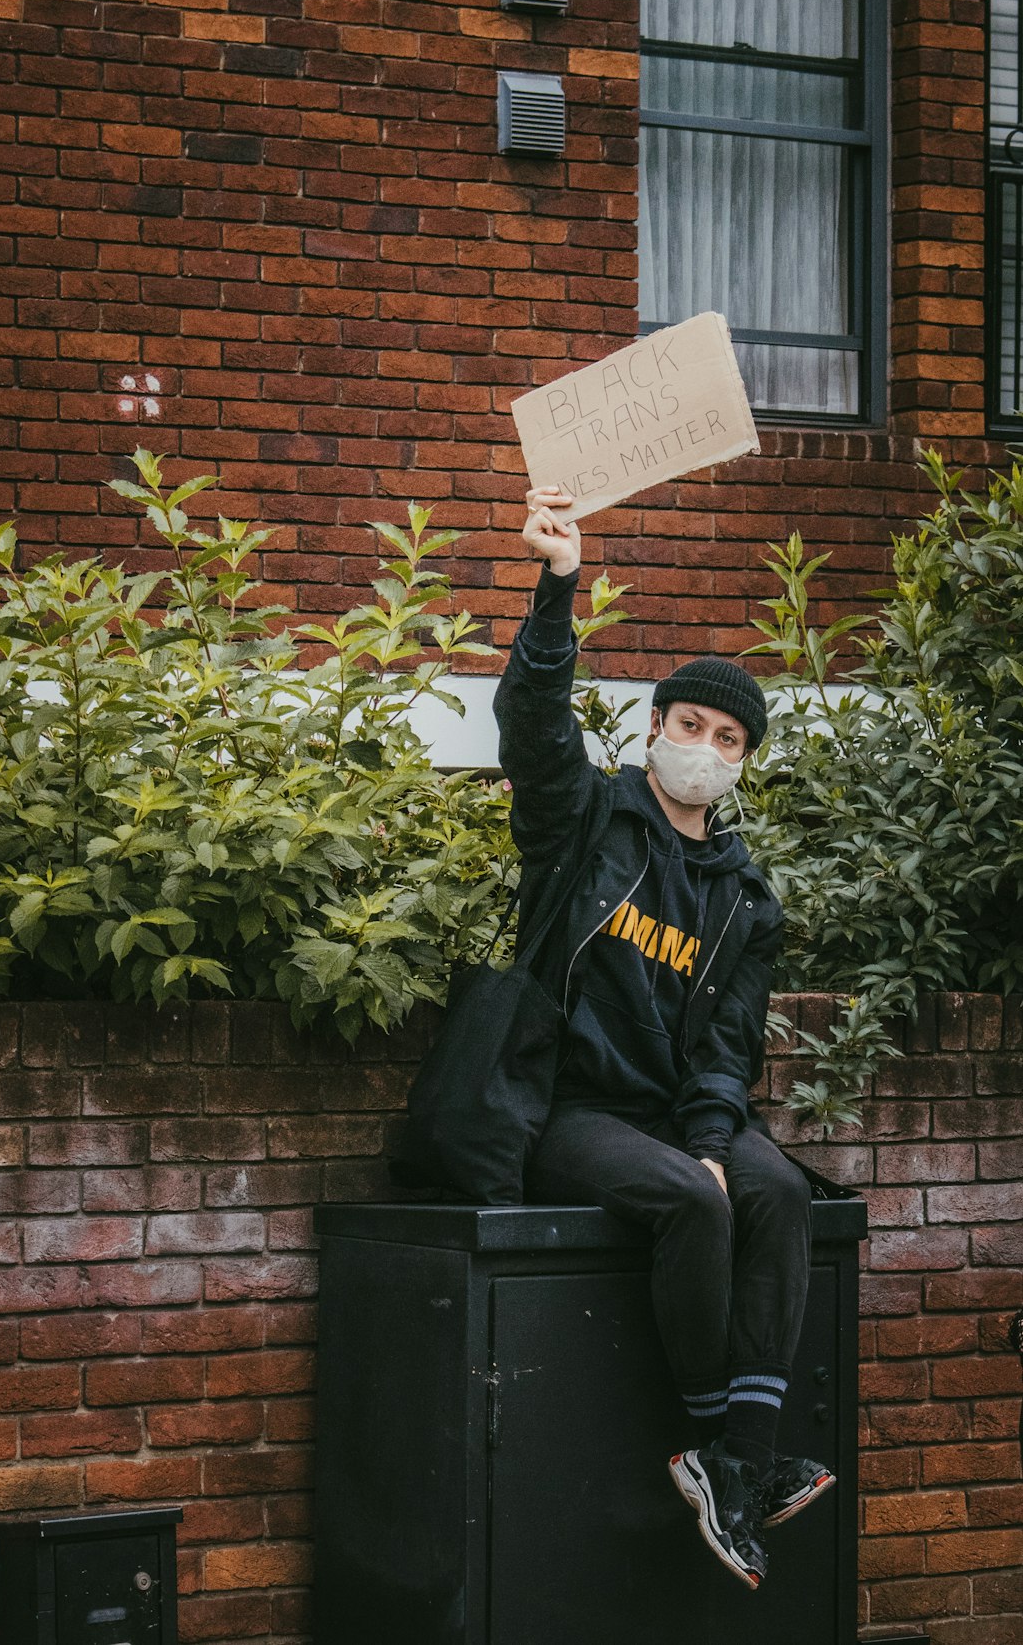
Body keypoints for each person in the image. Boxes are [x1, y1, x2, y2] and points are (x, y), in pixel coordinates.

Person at [492, 485, 833, 1592]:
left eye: (728, 737)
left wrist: (710, 1133)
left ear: (742, 761)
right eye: (690, 724)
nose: (705, 746)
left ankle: (738, 1458)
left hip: (675, 1114)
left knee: (776, 1188)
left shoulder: (745, 895)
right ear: (655, 728)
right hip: (568, 1109)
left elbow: (728, 1045)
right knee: (698, 1199)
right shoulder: (586, 819)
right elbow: (532, 725)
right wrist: (556, 588)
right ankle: (721, 1444)